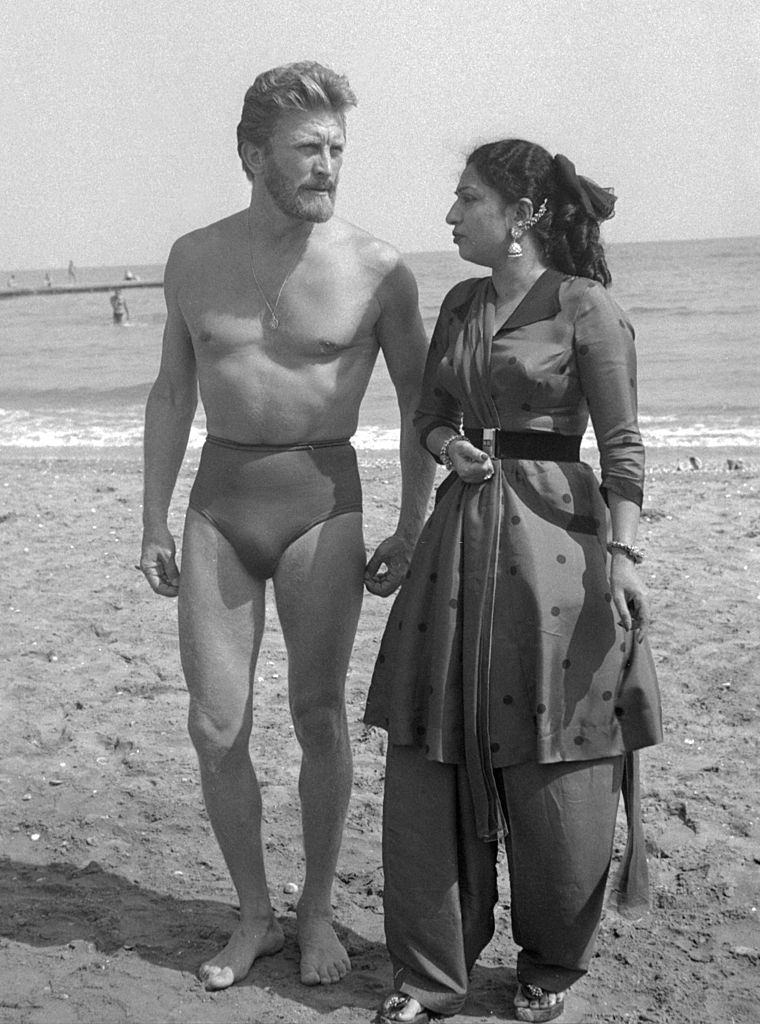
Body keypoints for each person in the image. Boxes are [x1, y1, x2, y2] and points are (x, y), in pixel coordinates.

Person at [139, 61, 434, 993]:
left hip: (323, 502)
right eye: (309, 149)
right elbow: (174, 389)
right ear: (251, 153)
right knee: (215, 725)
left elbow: (419, 402)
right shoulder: (193, 257)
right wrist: (151, 514)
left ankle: (314, 916)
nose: (328, 165)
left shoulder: (378, 268)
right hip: (220, 504)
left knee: (317, 717)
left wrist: (413, 519)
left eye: (338, 149)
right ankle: (255, 915)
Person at [364, 138, 663, 1023]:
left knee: (558, 748)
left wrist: (626, 555)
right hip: (458, 541)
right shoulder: (458, 303)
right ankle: (431, 972)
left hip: (556, 546)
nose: (452, 216)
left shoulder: (587, 308)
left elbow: (622, 446)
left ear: (520, 214)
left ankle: (548, 966)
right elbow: (428, 412)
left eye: (467, 199)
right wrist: (442, 447)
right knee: (431, 746)